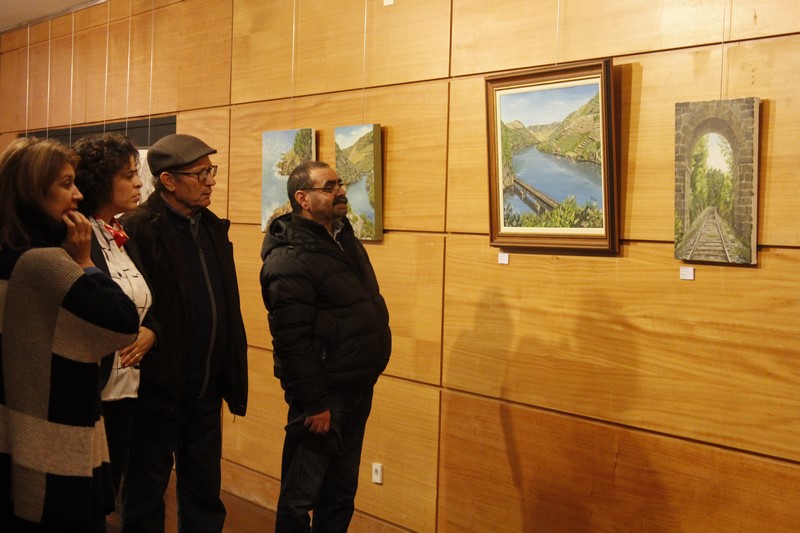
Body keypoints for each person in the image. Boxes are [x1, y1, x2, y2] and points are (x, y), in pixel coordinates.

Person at [0, 137, 140, 532]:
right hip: (53, 441)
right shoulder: (47, 263)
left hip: (16, 430)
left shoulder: (11, 253)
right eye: (65, 184)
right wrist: (83, 260)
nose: (77, 194)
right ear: (32, 191)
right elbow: (121, 322)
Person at [118, 133, 248, 533]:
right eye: (201, 174)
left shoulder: (212, 227)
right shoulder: (136, 229)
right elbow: (131, 307)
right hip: (157, 390)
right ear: (169, 181)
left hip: (206, 389)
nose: (211, 181)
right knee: (145, 496)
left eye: (211, 171)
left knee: (204, 495)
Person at [259, 160, 391, 532]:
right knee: (300, 497)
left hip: (355, 387)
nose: (341, 191)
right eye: (329, 187)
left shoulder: (342, 237)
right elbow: (292, 341)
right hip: (322, 397)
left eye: (340, 183)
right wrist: (315, 403)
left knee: (340, 492)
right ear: (302, 198)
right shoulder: (288, 258)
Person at [73, 133, 159, 497]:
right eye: (128, 175)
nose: (139, 182)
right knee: (87, 495)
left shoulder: (121, 231)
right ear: (99, 181)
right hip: (92, 385)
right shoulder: (76, 234)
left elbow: (145, 302)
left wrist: (151, 331)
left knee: (111, 491)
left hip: (128, 387)